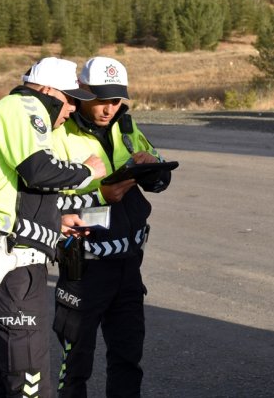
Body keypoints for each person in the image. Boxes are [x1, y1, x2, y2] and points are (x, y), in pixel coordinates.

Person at [0, 57, 107, 398]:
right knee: (31, 386)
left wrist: (53, 223)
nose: (73, 108)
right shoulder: (23, 106)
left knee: (6, 378)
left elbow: (20, 191)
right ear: (47, 91)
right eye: (69, 99)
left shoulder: (23, 116)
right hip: (10, 268)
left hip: (13, 263)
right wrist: (87, 170)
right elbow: (39, 172)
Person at [51, 56, 172, 398]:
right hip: (83, 266)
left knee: (128, 358)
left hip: (128, 264)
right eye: (102, 99)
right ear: (84, 93)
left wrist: (154, 168)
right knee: (75, 364)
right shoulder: (59, 131)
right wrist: (99, 193)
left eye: (116, 99)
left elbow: (159, 179)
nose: (109, 108)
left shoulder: (127, 127)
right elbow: (41, 201)